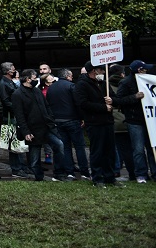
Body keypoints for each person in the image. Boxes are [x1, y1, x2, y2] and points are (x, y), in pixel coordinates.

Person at [74, 60, 122, 188]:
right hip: (94, 123)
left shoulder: (103, 84)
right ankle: (97, 178)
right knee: (97, 151)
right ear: (94, 71)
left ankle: (110, 177)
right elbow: (83, 104)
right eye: (101, 70)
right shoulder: (82, 85)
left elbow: (115, 99)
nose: (103, 72)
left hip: (107, 122)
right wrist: (103, 107)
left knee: (110, 151)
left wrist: (112, 101)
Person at [12, 68, 63, 182]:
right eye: (34, 78)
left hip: (46, 126)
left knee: (59, 145)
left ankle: (59, 172)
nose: (36, 80)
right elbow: (19, 115)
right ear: (27, 79)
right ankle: (39, 177)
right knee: (34, 158)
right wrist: (26, 132)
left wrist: (50, 118)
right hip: (33, 130)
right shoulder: (18, 94)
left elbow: (46, 105)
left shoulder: (36, 91)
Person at [113, 60, 151, 184]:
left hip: (149, 119)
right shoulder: (126, 82)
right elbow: (119, 100)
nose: (146, 70)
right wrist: (134, 97)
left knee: (151, 148)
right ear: (139, 70)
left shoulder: (148, 80)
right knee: (138, 149)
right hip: (135, 121)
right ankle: (141, 174)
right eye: (144, 69)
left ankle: (153, 173)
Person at [47, 67, 89, 180]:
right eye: (71, 76)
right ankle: (84, 171)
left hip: (58, 121)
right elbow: (77, 103)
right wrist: (82, 118)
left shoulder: (51, 88)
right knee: (79, 147)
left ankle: (69, 172)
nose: (72, 78)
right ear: (67, 76)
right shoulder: (71, 86)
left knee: (66, 147)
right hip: (72, 119)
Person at [0, 61, 31, 177]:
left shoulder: (10, 82)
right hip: (10, 117)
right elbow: (6, 102)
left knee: (19, 142)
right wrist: (19, 107)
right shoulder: (3, 84)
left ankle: (21, 165)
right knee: (14, 143)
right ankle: (16, 168)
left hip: (15, 115)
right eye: (13, 69)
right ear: (7, 71)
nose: (14, 70)